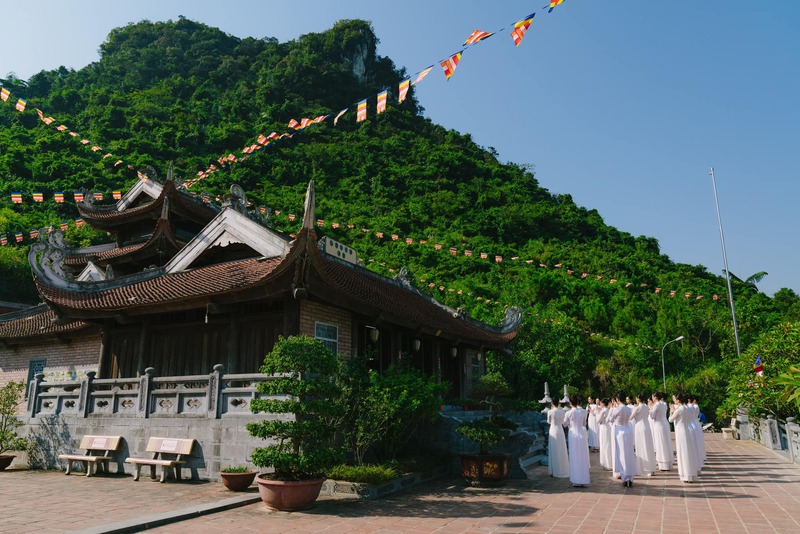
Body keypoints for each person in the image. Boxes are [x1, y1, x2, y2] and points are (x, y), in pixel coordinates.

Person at [669, 393, 700, 482]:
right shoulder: (687, 408)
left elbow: (670, 420)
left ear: (678, 400)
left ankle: (686, 474)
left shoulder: (680, 409)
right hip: (687, 429)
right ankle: (690, 474)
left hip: (681, 432)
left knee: (683, 452)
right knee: (688, 452)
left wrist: (671, 411)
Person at [609, 392, 636, 487]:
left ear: (617, 399)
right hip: (627, 430)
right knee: (629, 453)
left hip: (619, 431)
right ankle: (630, 477)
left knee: (622, 454)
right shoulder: (628, 409)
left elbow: (610, 420)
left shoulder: (617, 409)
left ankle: (625, 477)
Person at [563, 394, 591, 487]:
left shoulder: (568, 413)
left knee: (574, 456)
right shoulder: (584, 412)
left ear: (570, 403)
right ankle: (583, 479)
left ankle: (576, 480)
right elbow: (584, 423)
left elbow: (564, 424)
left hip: (573, 434)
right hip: (581, 434)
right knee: (582, 457)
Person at [632, 393, 657, 476]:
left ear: (638, 399)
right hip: (647, 427)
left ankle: (643, 469)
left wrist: (634, 409)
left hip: (639, 427)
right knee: (648, 447)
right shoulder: (646, 407)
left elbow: (630, 417)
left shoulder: (638, 407)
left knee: (641, 447)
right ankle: (650, 468)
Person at [649, 392, 674, 471]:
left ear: (655, 397)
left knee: (660, 443)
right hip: (665, 423)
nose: (652, 399)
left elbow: (652, 416)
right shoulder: (664, 404)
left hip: (659, 424)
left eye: (653, 397)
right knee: (666, 443)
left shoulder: (657, 405)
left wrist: (650, 408)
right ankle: (668, 463)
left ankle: (663, 464)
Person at [547, 400, 570, 478]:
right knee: (561, 449)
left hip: (553, 429)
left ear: (552, 403)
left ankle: (555, 469)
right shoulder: (562, 411)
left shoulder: (550, 411)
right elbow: (563, 422)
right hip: (560, 430)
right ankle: (561, 468)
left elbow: (549, 422)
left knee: (554, 449)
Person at [688, 394, 706, 471]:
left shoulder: (693, 406)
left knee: (696, 442)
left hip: (693, 422)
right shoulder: (695, 406)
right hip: (695, 422)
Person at [597, 398, 612, 470]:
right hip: (609, 428)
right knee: (608, 445)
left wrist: (597, 412)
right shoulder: (610, 410)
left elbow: (598, 420)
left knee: (605, 445)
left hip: (603, 428)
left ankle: (607, 464)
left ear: (603, 403)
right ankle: (609, 463)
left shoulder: (603, 411)